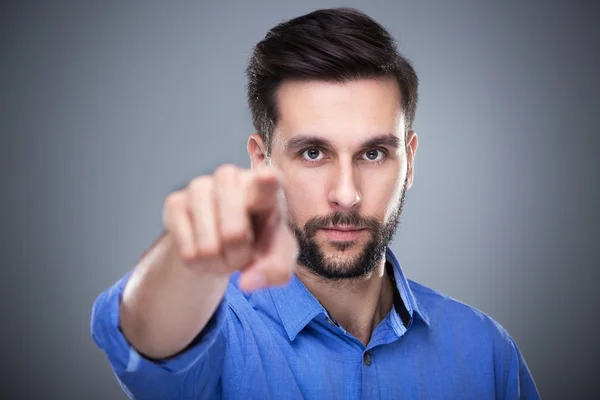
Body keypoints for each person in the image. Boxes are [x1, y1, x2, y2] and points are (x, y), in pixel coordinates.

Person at [90, 7, 540, 399]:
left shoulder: (487, 354)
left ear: (410, 160)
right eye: (313, 153)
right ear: (262, 162)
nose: (346, 193)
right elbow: (142, 339)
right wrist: (189, 257)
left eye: (373, 153)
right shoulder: (221, 333)